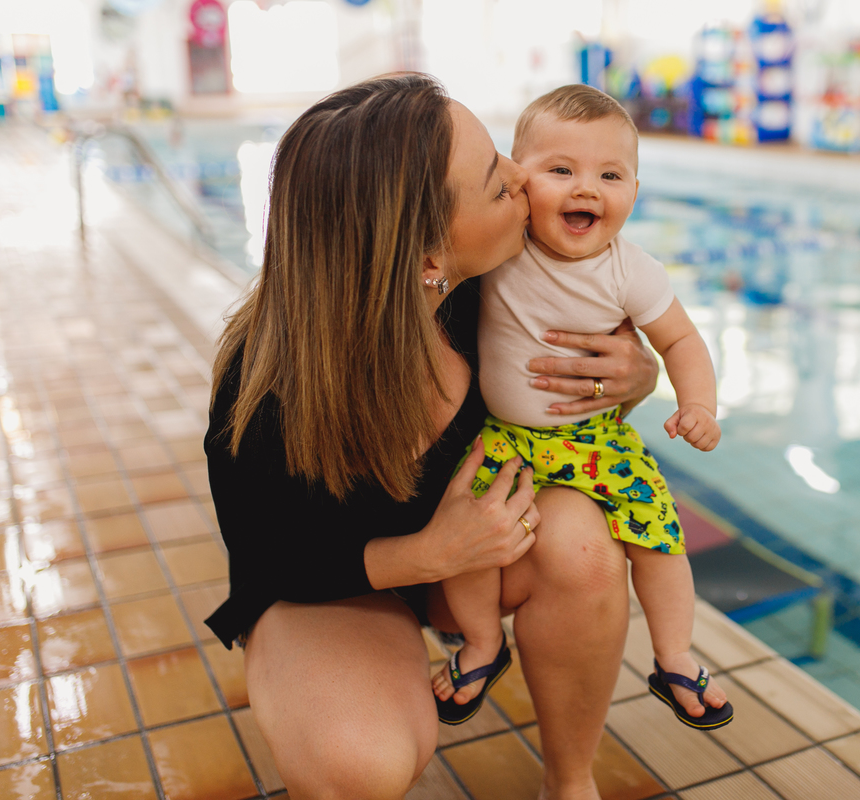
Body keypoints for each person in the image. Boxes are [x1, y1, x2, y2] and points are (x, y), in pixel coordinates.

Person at [202, 74, 660, 800]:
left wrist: (635, 377)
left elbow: (598, 393)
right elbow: (269, 559)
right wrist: (425, 553)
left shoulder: (504, 285)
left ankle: (571, 783)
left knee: (584, 546)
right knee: (363, 763)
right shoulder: (268, 394)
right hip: (336, 584)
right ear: (426, 259)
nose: (521, 175)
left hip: (473, 563)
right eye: (495, 182)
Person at [431, 85, 733, 731]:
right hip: (505, 439)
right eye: (560, 170)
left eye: (610, 175)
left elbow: (680, 339)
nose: (586, 189)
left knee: (657, 533)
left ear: (634, 190)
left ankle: (674, 653)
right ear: (518, 183)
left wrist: (697, 403)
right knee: (470, 537)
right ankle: (483, 644)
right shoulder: (503, 251)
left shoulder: (633, 272)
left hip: (595, 438)